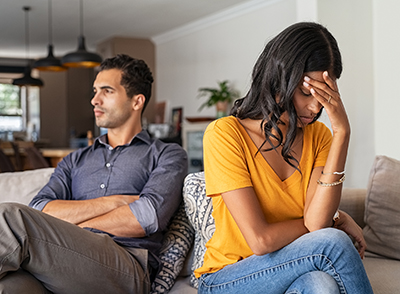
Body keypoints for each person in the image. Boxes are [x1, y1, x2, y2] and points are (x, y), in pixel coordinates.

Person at [195, 22, 373, 294]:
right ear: (278, 79)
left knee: (322, 284)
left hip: (288, 268)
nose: (315, 107)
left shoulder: (320, 136)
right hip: (227, 278)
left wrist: (342, 132)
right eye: (306, 93)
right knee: (334, 243)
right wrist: (333, 221)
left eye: (324, 96)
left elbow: (316, 224)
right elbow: (261, 240)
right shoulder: (225, 135)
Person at [0, 54, 188, 294]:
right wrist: (116, 202)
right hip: (62, 261)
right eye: (95, 90)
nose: (94, 100)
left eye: (107, 91)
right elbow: (40, 208)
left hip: (126, 266)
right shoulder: (75, 160)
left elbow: (146, 216)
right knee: (8, 287)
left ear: (136, 102)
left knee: (10, 216)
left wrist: (67, 227)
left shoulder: (167, 154)